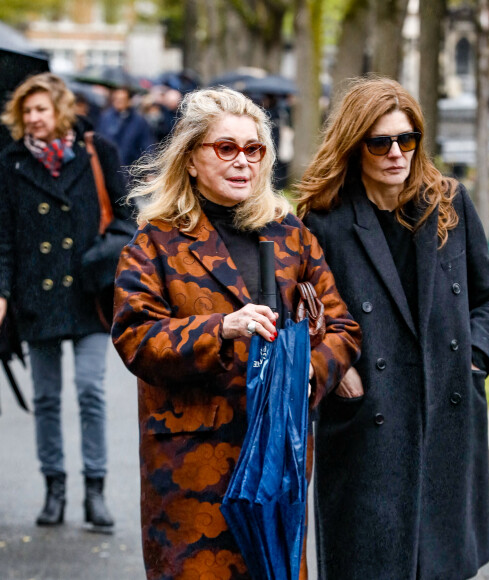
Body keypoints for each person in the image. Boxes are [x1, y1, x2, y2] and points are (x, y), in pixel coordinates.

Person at [111, 87, 361, 580]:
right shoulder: (156, 241)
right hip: (192, 470)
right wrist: (221, 328)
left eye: (254, 149)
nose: (243, 161)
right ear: (191, 159)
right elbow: (136, 338)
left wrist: (304, 373)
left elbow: (342, 327)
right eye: (226, 148)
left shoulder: (289, 234)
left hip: (277, 462)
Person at [296, 76, 489, 580]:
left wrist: (473, 357)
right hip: (369, 421)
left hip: (446, 412)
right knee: (370, 563)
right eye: (380, 142)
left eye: (407, 139)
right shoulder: (324, 221)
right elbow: (303, 313)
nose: (397, 153)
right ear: (355, 145)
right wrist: (336, 367)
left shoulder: (449, 204)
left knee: (442, 564)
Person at [0, 73, 128, 532]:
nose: (33, 119)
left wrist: (105, 253)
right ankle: (55, 488)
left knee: (91, 392)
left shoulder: (98, 152)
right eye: (26, 112)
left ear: (60, 110)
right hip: (37, 295)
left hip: (89, 292)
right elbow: (4, 238)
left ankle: (96, 491)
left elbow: (128, 216)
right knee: (46, 398)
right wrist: (3, 293)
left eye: (41, 110)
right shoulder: (11, 162)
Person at [97, 85, 154, 169]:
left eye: (122, 99)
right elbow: (100, 140)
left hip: (131, 168)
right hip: (109, 167)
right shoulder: (105, 118)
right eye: (116, 99)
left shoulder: (139, 121)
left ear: (129, 100)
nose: (118, 102)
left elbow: (147, 145)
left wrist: (149, 169)